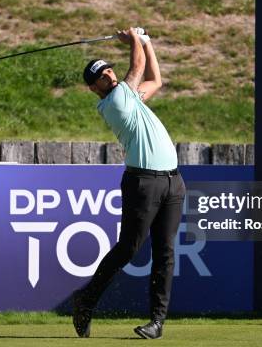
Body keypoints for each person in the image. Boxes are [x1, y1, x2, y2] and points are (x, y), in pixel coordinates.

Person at [72, 27, 186, 340]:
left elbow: (156, 79)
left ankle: (157, 322)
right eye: (100, 75)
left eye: (108, 68)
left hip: (172, 181)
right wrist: (134, 39)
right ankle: (86, 300)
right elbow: (136, 69)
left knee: (165, 252)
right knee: (128, 248)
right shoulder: (115, 103)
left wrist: (147, 43)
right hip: (143, 181)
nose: (107, 74)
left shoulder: (131, 97)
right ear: (95, 88)